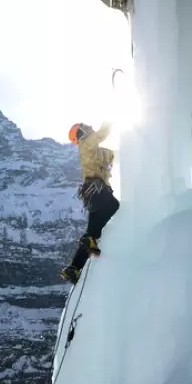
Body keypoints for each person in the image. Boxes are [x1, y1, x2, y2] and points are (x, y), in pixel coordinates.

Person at [60, 122, 120, 284]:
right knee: (113, 206)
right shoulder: (86, 143)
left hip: (94, 192)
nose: (90, 128)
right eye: (87, 127)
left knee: (93, 233)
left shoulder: (96, 151)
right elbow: (102, 133)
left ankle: (74, 268)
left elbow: (113, 155)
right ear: (81, 132)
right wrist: (110, 121)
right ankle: (89, 241)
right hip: (97, 189)